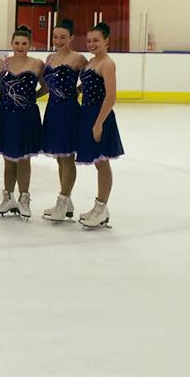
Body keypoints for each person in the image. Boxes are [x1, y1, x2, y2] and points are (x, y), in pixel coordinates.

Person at [0, 26, 44, 219]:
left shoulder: (37, 64)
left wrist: (31, 97)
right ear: (11, 43)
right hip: (5, 114)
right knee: (8, 159)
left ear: (30, 45)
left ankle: (24, 198)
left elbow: (46, 86)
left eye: (24, 43)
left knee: (23, 159)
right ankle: (8, 198)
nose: (20, 46)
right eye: (17, 43)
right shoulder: (1, 64)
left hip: (27, 116)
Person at [75, 22, 124, 229]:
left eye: (96, 40)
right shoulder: (91, 62)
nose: (91, 44)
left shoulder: (107, 63)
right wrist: (77, 90)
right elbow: (88, 84)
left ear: (106, 41)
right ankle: (98, 206)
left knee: (102, 163)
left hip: (100, 116)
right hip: (87, 114)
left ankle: (102, 208)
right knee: (98, 162)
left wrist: (98, 124)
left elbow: (111, 97)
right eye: (89, 41)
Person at [40, 19, 87, 223]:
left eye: (63, 37)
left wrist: (76, 91)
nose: (58, 41)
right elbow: (46, 85)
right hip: (52, 110)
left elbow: (91, 80)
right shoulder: (50, 58)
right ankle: (66, 201)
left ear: (71, 38)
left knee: (67, 157)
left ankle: (63, 199)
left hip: (68, 111)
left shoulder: (78, 59)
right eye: (55, 37)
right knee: (59, 157)